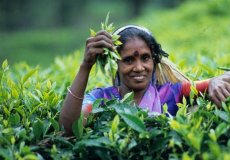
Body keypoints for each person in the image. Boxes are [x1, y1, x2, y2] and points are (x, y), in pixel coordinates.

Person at [60, 25, 230, 135]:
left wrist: (215, 81)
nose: (139, 67)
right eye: (128, 60)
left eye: (145, 58)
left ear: (153, 61)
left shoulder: (172, 93)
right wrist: (86, 66)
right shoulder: (100, 99)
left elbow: (224, 80)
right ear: (115, 64)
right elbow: (69, 128)